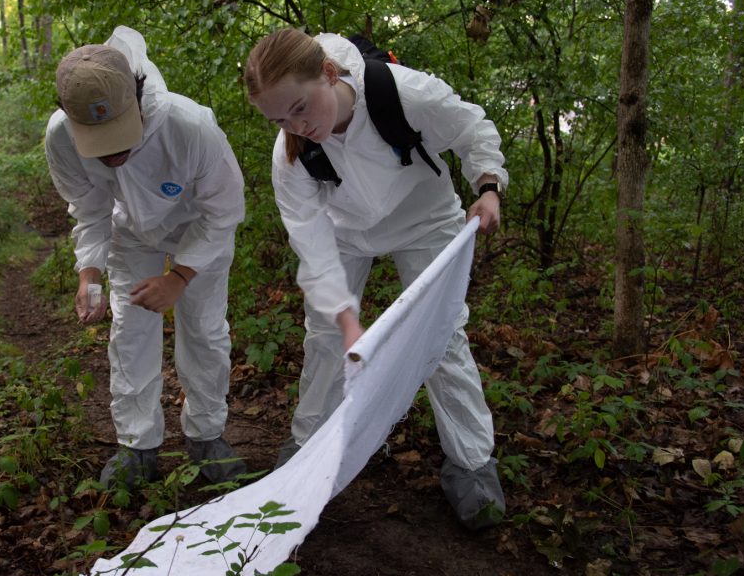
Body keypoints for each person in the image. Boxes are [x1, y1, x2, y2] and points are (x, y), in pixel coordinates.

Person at [244, 29, 507, 529]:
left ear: (328, 73)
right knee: (326, 339)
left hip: (425, 219)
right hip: (344, 234)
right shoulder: (292, 154)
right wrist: (345, 318)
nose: (297, 126)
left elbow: (472, 129)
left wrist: (489, 186)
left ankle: (472, 466)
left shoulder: (403, 93)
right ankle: (307, 453)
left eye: (300, 108)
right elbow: (310, 240)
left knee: (442, 335)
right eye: (279, 120)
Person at [45, 26, 247, 490]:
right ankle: (137, 445)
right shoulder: (61, 139)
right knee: (131, 331)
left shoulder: (189, 127)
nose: (113, 154)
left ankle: (206, 436)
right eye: (99, 142)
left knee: (204, 330)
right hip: (132, 234)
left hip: (200, 231)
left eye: (119, 137)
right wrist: (89, 275)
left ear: (137, 102)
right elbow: (89, 209)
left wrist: (179, 277)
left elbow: (223, 212)